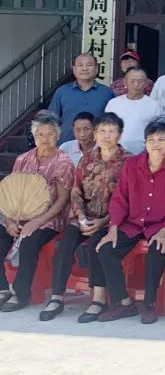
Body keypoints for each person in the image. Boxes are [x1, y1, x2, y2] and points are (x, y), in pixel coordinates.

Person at [95, 119, 165, 323]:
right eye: (151, 140)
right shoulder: (131, 165)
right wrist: (113, 228)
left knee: (156, 252)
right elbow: (120, 198)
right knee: (106, 250)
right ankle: (124, 303)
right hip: (133, 223)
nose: (156, 144)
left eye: (161, 140)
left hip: (161, 225)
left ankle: (149, 304)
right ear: (145, 142)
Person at [41, 112, 128, 323]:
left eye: (111, 131)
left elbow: (128, 198)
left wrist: (103, 221)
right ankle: (57, 297)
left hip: (111, 221)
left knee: (95, 246)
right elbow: (75, 191)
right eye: (102, 131)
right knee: (64, 246)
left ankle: (98, 299)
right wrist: (81, 217)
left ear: (119, 134)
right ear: (96, 133)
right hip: (83, 217)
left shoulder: (129, 161)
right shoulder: (87, 158)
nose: (106, 135)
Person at [0, 112, 74, 313]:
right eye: (40, 134)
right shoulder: (23, 159)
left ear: (57, 136)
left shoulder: (63, 162)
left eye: (50, 134)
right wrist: (9, 220)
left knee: (29, 242)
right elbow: (11, 192)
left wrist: (37, 221)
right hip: (19, 213)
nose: (45, 139)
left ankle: (21, 293)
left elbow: (62, 200)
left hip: (50, 217)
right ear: (34, 136)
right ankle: (2, 288)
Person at [49, 53, 114, 142]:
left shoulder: (107, 93)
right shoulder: (62, 92)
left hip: (98, 145)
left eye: (89, 65)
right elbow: (51, 121)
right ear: (74, 69)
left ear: (96, 69)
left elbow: (114, 123)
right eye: (80, 65)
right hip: (66, 145)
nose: (84, 68)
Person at [104, 68, 163, 154]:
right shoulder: (113, 103)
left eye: (140, 81)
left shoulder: (154, 105)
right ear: (125, 83)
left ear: (146, 84)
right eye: (132, 81)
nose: (136, 84)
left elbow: (158, 131)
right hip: (116, 153)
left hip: (144, 154)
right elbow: (105, 128)